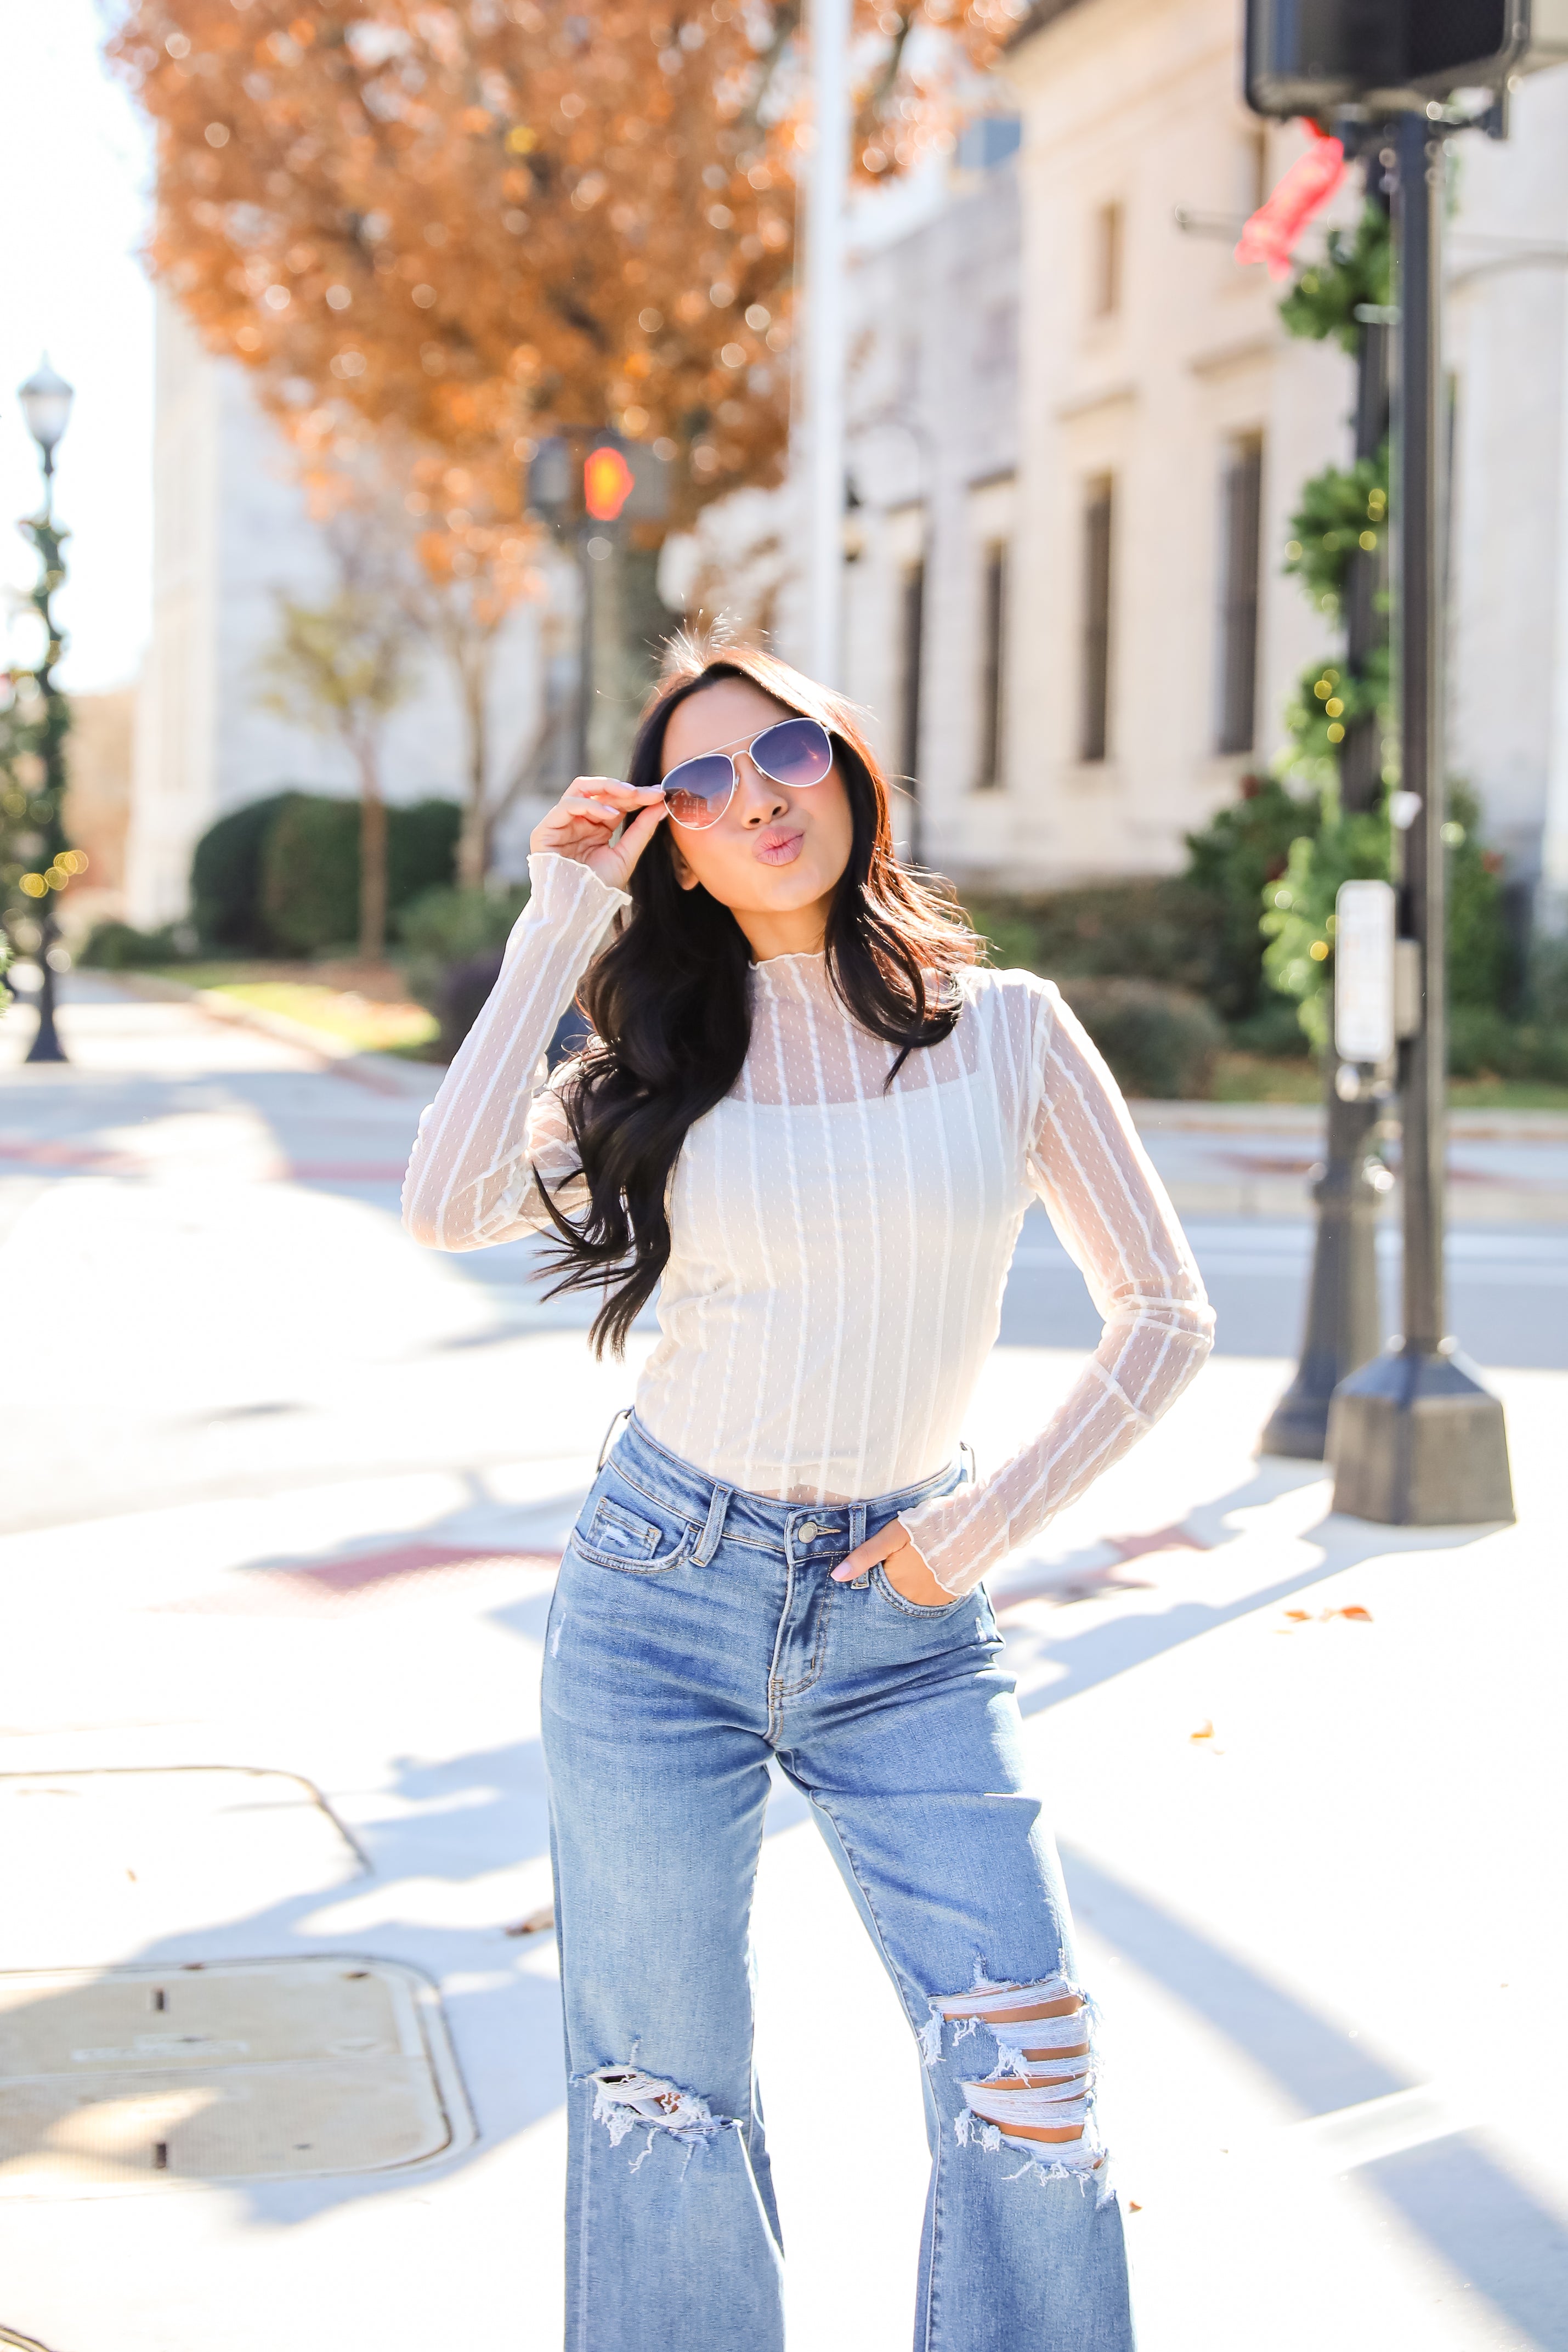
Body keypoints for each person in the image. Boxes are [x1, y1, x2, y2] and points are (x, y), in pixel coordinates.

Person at [403, 636, 1214, 2351]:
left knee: (1032, 2065)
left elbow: (1165, 1314)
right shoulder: (654, 1048)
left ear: (847, 767)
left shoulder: (1008, 1031)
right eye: (699, 783)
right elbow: (447, 1200)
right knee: (660, 2096)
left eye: (781, 750)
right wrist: (558, 916)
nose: (752, 795)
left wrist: (974, 1536)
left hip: (912, 1612)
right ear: (669, 842)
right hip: (656, 1599)